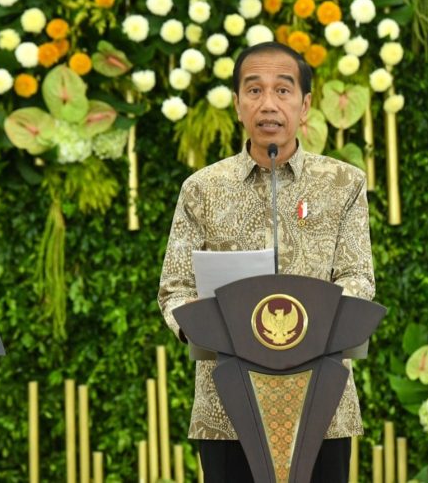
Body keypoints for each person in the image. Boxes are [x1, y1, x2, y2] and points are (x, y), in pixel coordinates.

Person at [158, 41, 374, 482]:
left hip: (321, 401)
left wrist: (307, 327)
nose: (269, 104)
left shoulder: (344, 183)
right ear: (237, 104)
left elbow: (358, 277)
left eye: (283, 90)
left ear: (305, 104)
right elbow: (175, 288)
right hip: (227, 405)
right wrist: (206, 329)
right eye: (254, 91)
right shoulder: (202, 188)